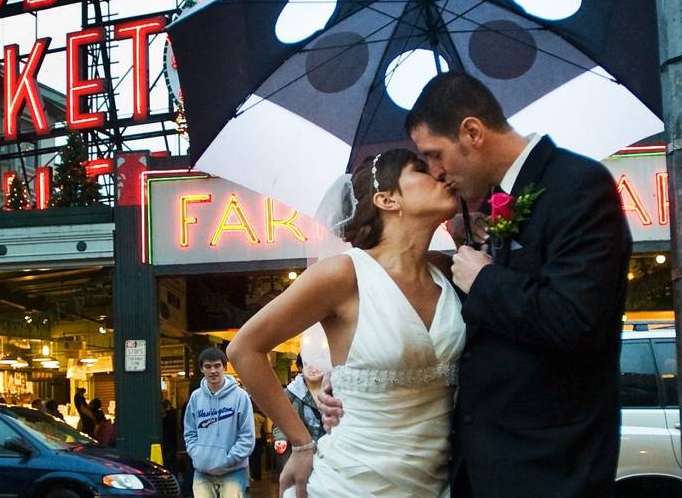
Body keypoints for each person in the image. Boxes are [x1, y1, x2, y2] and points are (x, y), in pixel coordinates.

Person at [322, 73, 631, 498]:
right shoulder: (488, 208)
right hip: (477, 470)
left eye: (434, 154)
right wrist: (356, 384)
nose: (436, 172)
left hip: (550, 470)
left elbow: (577, 320)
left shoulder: (576, 185)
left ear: (472, 132)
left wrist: (485, 279)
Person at [228, 148, 466, 498]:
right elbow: (244, 348)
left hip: (438, 483)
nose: (441, 175)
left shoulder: (450, 273)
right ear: (387, 199)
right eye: (421, 170)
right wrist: (301, 443)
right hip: (351, 484)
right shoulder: (343, 274)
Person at [183, 347, 254, 498]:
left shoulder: (240, 397)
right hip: (202, 473)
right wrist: (198, 454)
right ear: (201, 369)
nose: (213, 370)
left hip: (233, 472)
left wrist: (228, 459)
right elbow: (190, 432)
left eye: (217, 365)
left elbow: (247, 436)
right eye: (208, 366)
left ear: (224, 367)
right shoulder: (196, 397)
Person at [272, 353, 326, 460]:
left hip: (332, 451)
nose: (314, 369)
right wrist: (281, 439)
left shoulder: (336, 388)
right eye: (308, 365)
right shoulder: (292, 392)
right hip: (305, 452)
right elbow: (281, 418)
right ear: (300, 367)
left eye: (317, 365)